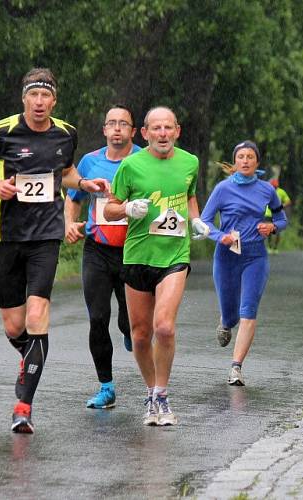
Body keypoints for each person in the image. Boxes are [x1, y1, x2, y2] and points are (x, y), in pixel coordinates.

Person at [0, 68, 107, 433]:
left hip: (46, 235)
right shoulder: (2, 131)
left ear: (54, 100)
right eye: (33, 96)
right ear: (24, 98)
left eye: (46, 97)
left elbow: (67, 172)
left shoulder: (66, 133)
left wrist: (85, 183)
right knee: (14, 326)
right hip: (7, 236)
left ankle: (23, 406)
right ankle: (29, 359)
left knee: (37, 313)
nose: (39, 103)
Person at [104, 106, 207, 426]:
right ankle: (151, 394)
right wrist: (126, 209)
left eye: (168, 128)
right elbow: (109, 210)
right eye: (156, 128)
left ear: (177, 131)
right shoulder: (131, 166)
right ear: (145, 133)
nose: (163, 133)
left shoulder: (190, 162)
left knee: (164, 327)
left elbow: (188, 195)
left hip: (174, 255)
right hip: (137, 256)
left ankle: (162, 393)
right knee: (139, 334)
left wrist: (196, 220)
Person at [64, 105, 141, 409]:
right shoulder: (90, 161)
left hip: (133, 249)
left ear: (133, 132)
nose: (118, 128)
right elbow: (74, 199)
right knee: (98, 318)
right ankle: (106, 387)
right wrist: (69, 223)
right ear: (105, 130)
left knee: (128, 319)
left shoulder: (144, 160)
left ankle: (128, 330)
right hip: (96, 249)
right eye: (112, 123)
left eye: (124, 124)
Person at [201, 141, 288, 386]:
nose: (246, 160)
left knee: (248, 311)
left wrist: (272, 227)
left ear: (257, 163)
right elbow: (205, 222)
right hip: (226, 255)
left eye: (250, 157)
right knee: (231, 313)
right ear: (235, 162)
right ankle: (226, 322)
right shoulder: (222, 189)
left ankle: (236, 367)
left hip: (255, 256)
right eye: (241, 156)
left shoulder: (267, 190)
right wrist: (221, 237)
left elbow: (282, 219)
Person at [267, 178, 292, 252]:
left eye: (275, 186)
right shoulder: (267, 191)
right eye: (272, 185)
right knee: (268, 230)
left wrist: (281, 206)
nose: (273, 187)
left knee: (277, 230)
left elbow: (288, 201)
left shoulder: (281, 192)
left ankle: (275, 247)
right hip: (268, 214)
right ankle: (270, 247)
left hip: (278, 214)